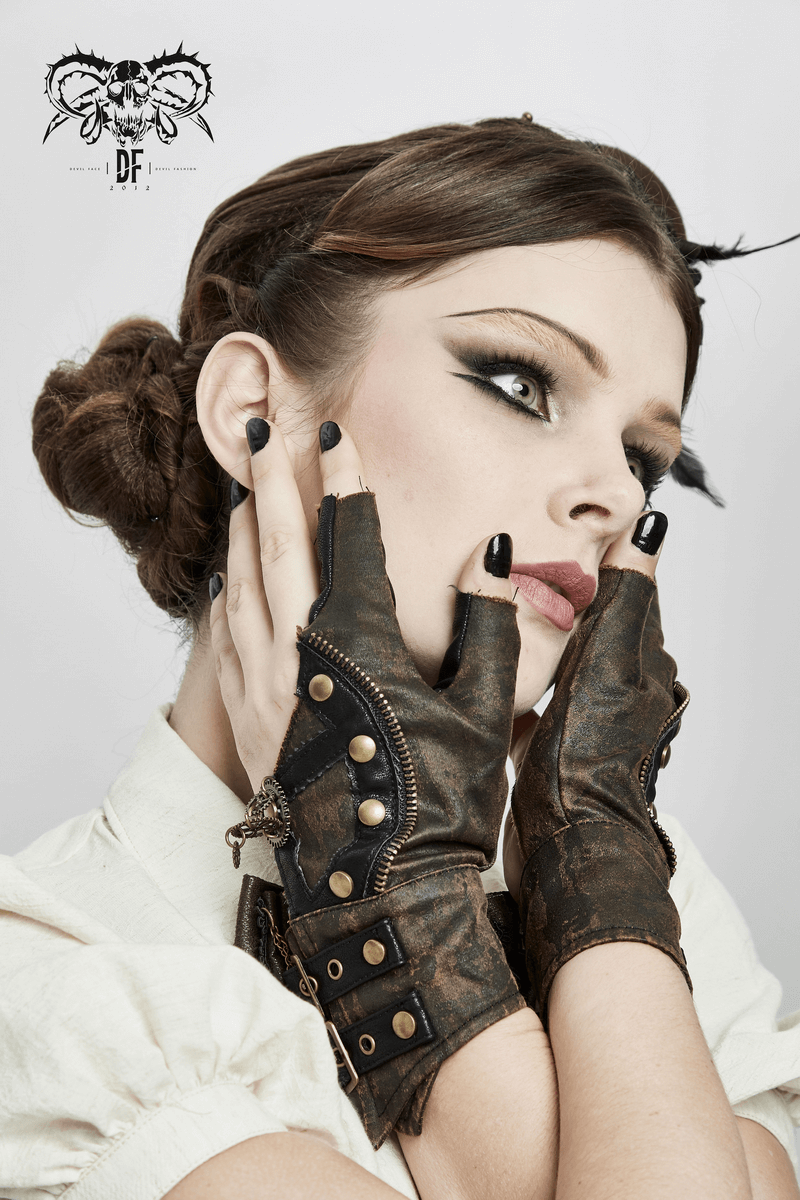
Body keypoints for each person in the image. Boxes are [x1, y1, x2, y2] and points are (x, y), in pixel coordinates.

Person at [2, 115, 798, 1199]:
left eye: (644, 458)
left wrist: (557, 858)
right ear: (255, 414)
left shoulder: (645, 890)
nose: (612, 494)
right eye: (521, 382)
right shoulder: (55, 987)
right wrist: (395, 888)